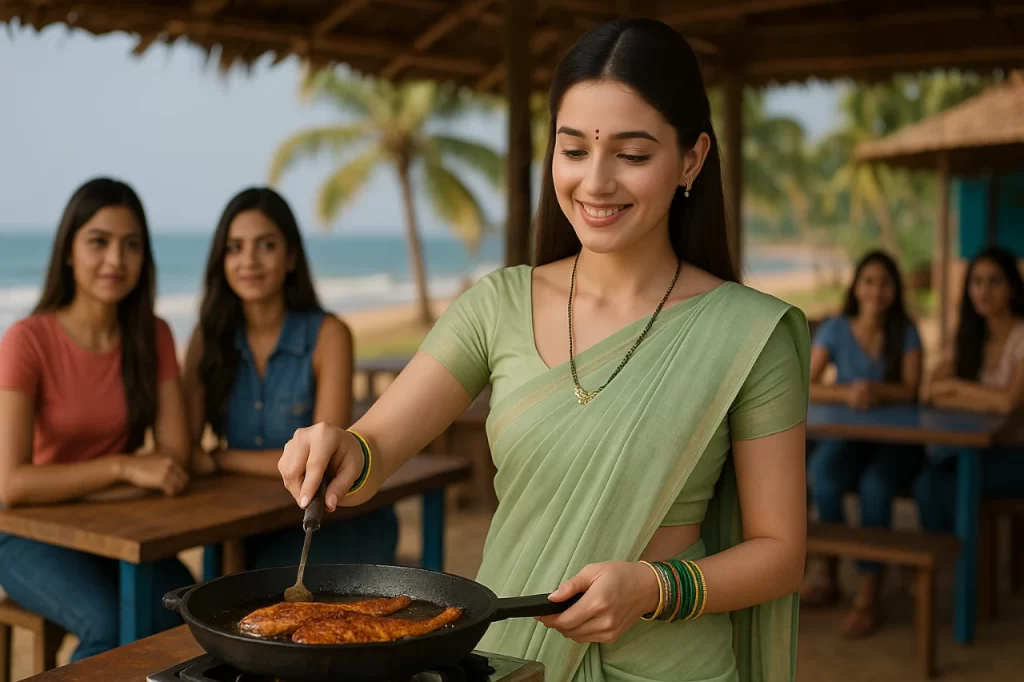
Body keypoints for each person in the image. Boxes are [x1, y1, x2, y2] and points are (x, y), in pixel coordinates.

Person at [277, 19, 809, 682]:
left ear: (692, 159)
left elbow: (781, 552)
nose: (597, 182)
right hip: (510, 657)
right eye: (573, 150)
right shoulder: (497, 305)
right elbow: (374, 448)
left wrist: (652, 588)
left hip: (671, 662)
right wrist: (337, 448)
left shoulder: (749, 333)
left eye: (633, 155)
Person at [0, 178, 194, 661]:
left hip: (115, 523)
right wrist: (124, 468)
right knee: (107, 623)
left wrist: (104, 485)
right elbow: (12, 484)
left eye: (131, 245)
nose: (116, 260)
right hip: (24, 532)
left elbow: (176, 455)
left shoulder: (155, 336)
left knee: (192, 608)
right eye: (98, 242)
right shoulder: (27, 340)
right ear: (69, 251)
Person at [182, 187, 398, 569]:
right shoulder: (207, 339)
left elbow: (323, 462)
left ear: (291, 258)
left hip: (331, 522)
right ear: (221, 260)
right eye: (234, 247)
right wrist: (209, 460)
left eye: (265, 245)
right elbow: (188, 452)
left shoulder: (329, 336)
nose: (249, 260)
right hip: (242, 521)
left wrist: (222, 458)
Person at [800, 250, 924, 637]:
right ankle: (830, 572)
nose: (876, 290)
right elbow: (809, 383)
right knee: (822, 476)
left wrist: (876, 391)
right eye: (869, 281)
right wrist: (849, 393)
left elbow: (910, 389)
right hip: (847, 437)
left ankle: (869, 593)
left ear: (895, 290)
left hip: (897, 441)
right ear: (856, 286)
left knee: (876, 487)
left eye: (885, 283)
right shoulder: (836, 328)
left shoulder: (906, 331)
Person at [914, 246, 1024, 532]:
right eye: (977, 282)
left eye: (994, 281)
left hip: (1016, 452)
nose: (984, 291)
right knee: (928, 482)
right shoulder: (967, 335)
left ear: (1012, 288)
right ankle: (951, 562)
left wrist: (954, 389)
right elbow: (928, 392)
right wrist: (963, 392)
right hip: (976, 449)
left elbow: (1009, 403)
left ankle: (967, 569)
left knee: (948, 484)